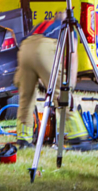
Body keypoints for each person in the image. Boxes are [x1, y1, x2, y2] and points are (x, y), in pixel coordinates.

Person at [13, 13, 88, 146]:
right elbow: (73, 54)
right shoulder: (68, 27)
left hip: (24, 49)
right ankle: (78, 137)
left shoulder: (43, 24)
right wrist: (70, 84)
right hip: (44, 47)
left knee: (26, 96)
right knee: (60, 93)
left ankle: (23, 138)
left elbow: (33, 55)